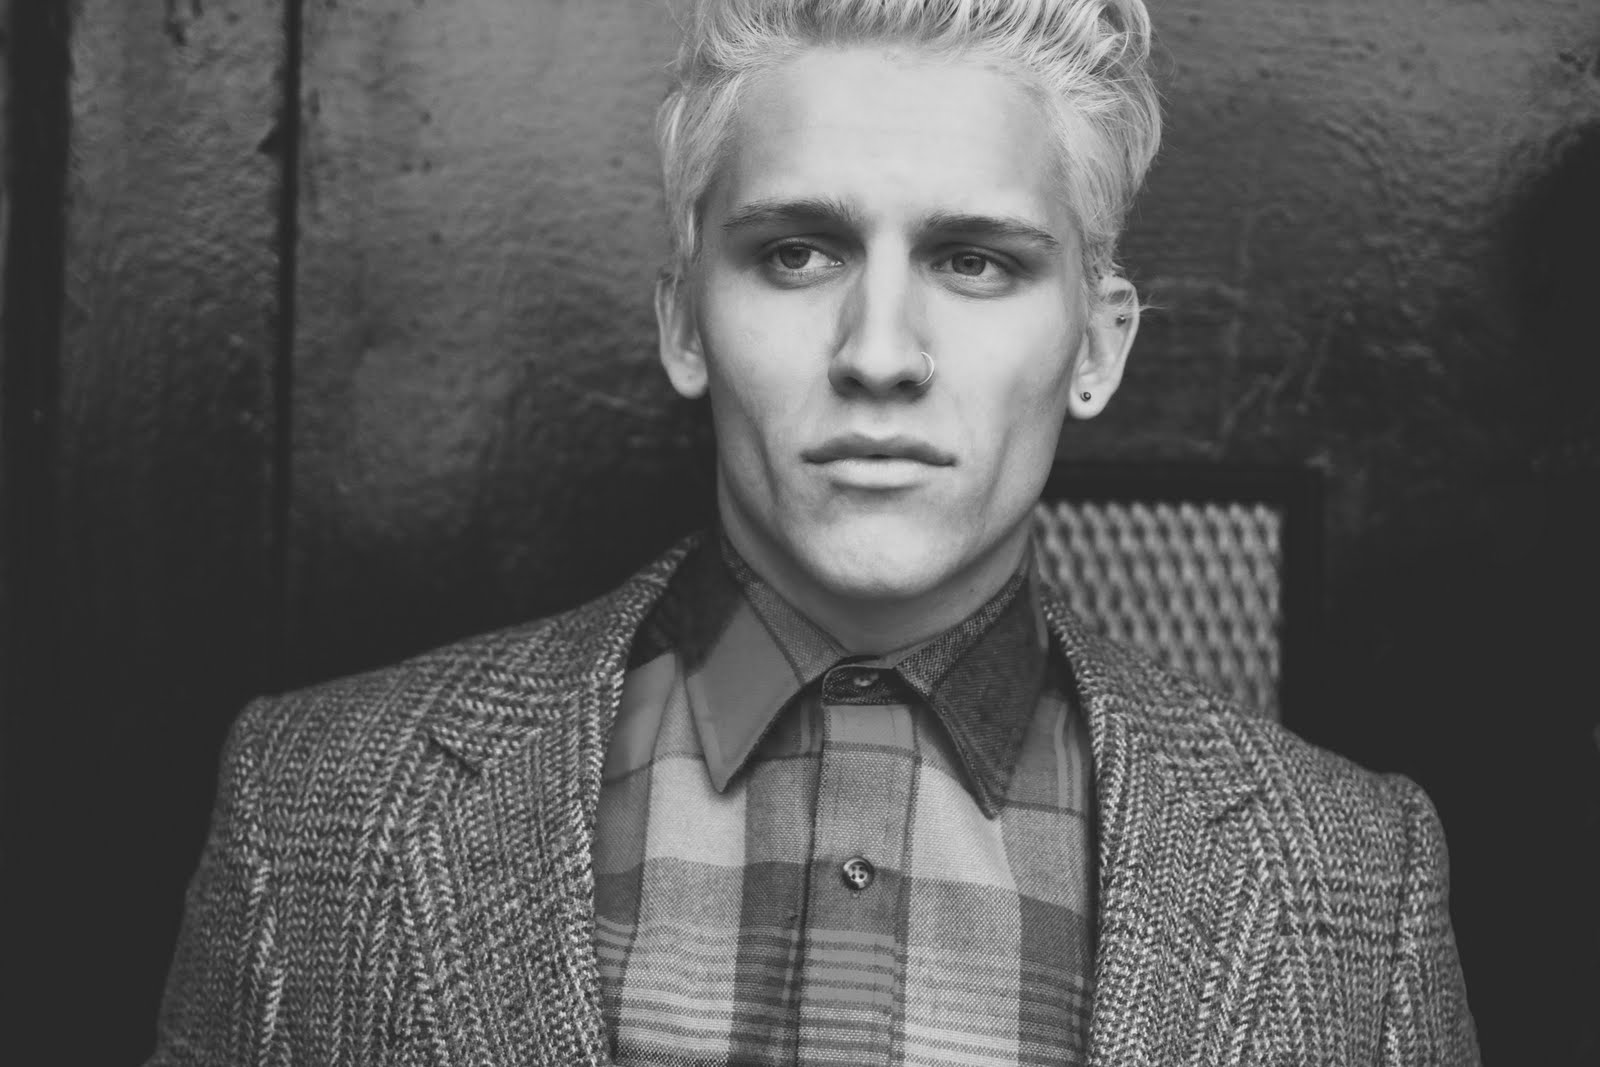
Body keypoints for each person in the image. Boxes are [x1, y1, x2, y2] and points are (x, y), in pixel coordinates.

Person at [148, 1, 1480, 1064]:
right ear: (685, 321)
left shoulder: (1351, 881)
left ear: (1097, 346)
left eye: (976, 261)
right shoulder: (317, 810)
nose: (879, 353)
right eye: (798, 253)